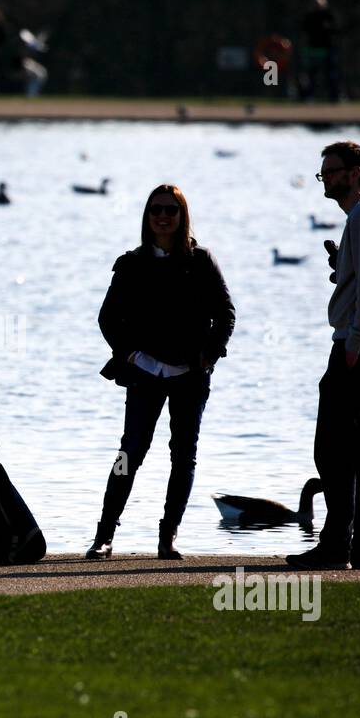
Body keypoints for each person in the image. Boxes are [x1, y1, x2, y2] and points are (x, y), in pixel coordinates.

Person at [87, 184, 235, 560]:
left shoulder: (201, 260)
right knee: (129, 453)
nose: (163, 216)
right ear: (147, 217)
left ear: (182, 215)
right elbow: (107, 319)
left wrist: (210, 356)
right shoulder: (133, 263)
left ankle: (167, 538)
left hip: (190, 375)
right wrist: (131, 355)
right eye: (156, 210)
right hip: (144, 374)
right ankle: (104, 537)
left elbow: (226, 314)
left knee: (184, 457)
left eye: (171, 210)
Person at [288, 141, 360, 570]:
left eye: (333, 171)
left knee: (331, 446)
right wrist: (345, 271)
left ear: (356, 172)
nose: (327, 179)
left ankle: (337, 543)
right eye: (323, 173)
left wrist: (355, 343)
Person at [298, 0, 339, 103]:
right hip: (313, 50)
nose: (317, 6)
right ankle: (308, 97)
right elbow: (303, 32)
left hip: (327, 50)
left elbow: (335, 31)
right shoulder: (309, 17)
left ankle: (334, 98)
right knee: (311, 76)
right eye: (316, 3)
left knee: (331, 76)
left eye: (319, 3)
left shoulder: (329, 16)